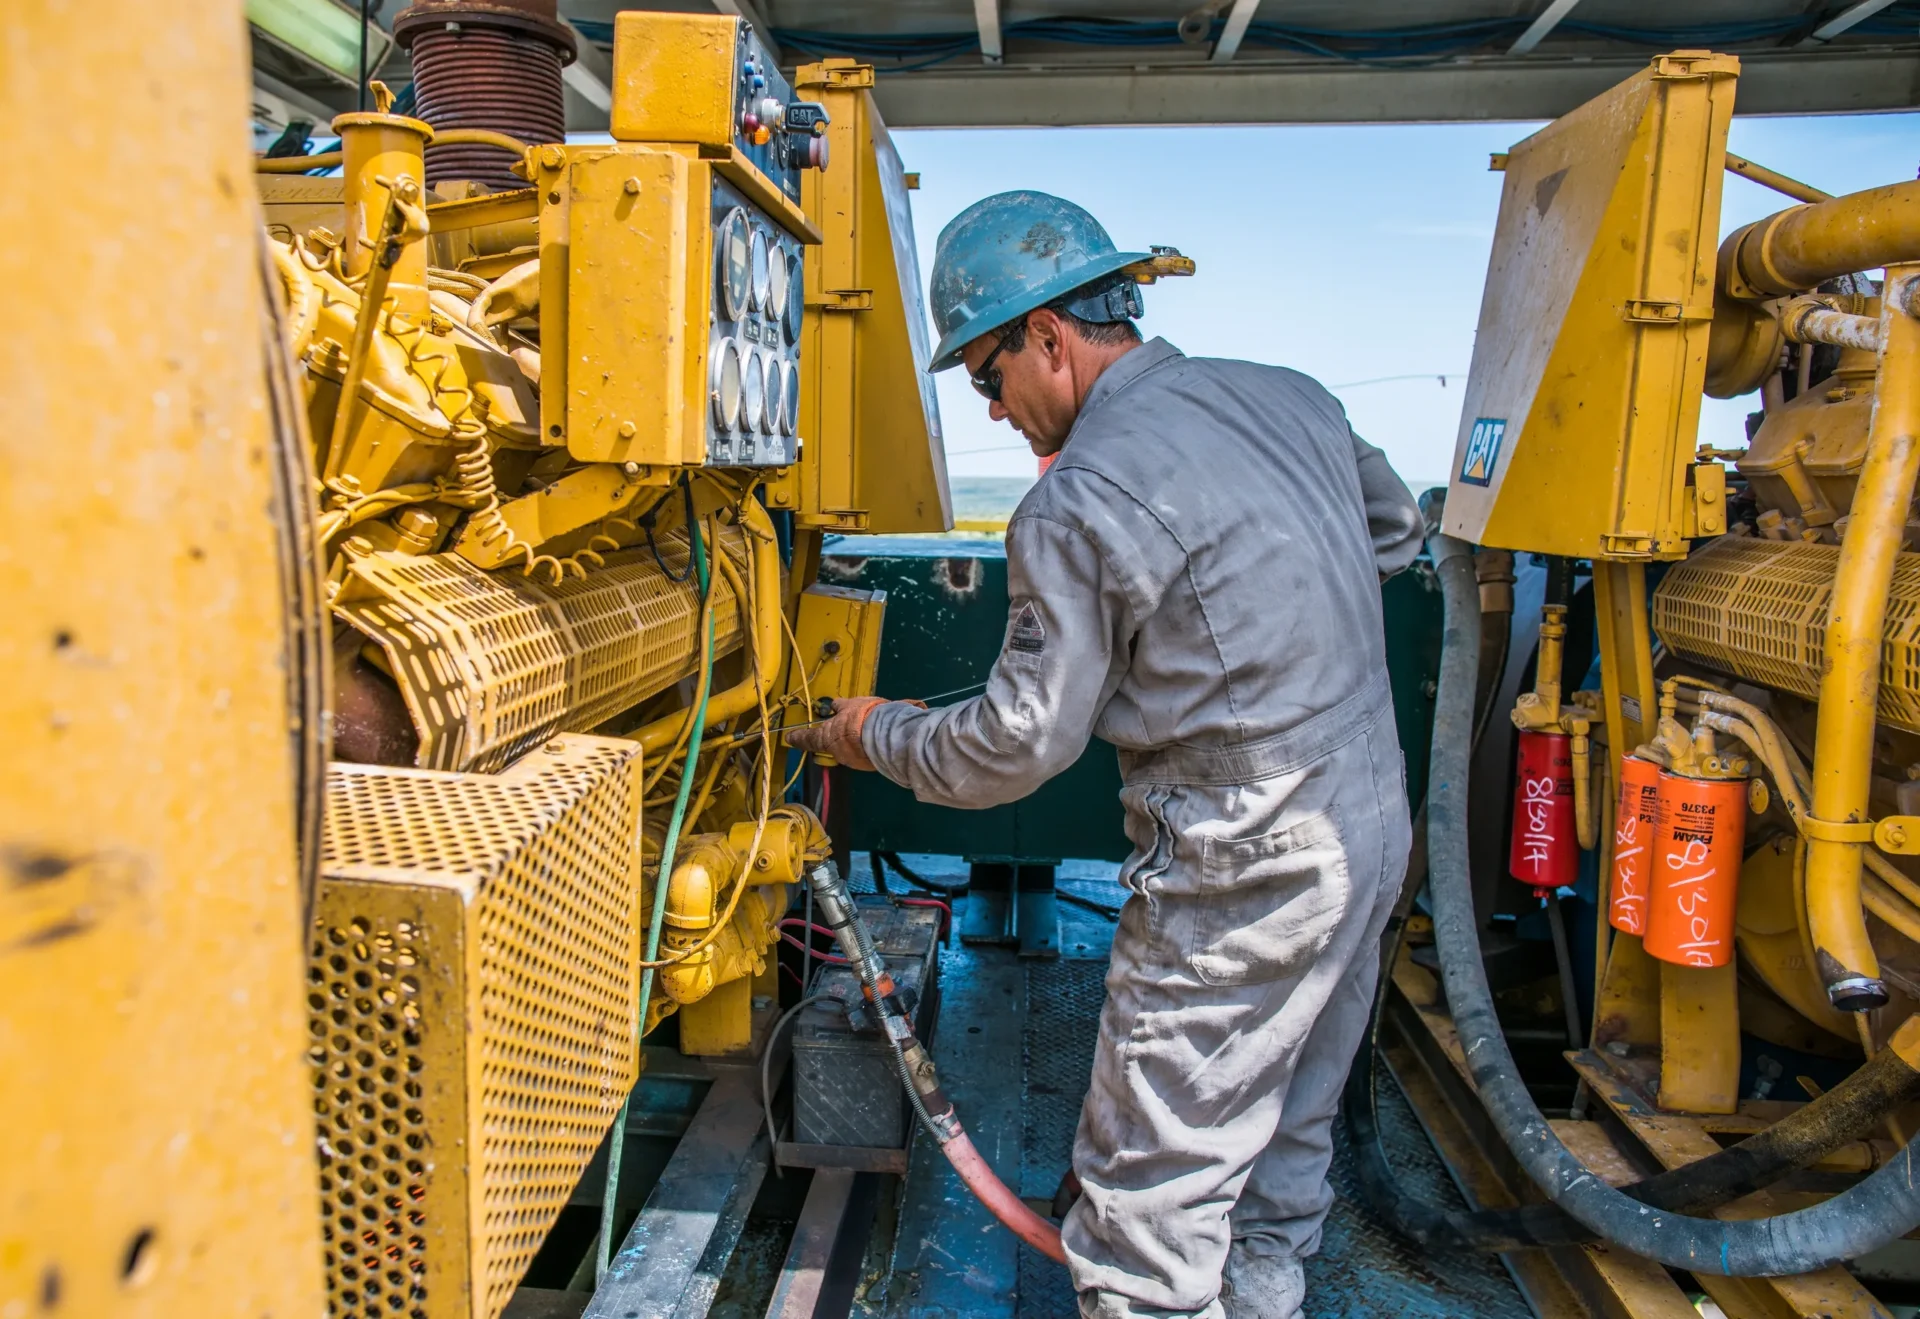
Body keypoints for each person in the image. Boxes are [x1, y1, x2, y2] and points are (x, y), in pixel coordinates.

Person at [787, 190, 1423, 1319]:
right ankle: (1264, 1286)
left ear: (1049, 335)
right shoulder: (1291, 398)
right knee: (1290, 1103)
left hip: (1243, 855)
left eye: (988, 377)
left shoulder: (1077, 499)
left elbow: (1011, 747)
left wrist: (867, 731)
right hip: (1368, 812)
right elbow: (1393, 533)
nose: (995, 412)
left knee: (1149, 1191)